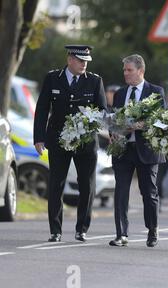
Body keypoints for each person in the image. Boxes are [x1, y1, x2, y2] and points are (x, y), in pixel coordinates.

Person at [33, 45, 107, 242]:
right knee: (56, 184)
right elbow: (41, 109)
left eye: (86, 61)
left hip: (86, 142)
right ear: (70, 60)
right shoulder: (52, 78)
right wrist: (38, 138)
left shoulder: (94, 80)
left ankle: (81, 228)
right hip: (58, 139)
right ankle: (55, 231)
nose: (84, 64)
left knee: (86, 186)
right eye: (80, 60)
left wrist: (90, 123)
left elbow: (102, 111)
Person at [108, 54, 166, 247]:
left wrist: (140, 125)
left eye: (129, 70)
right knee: (121, 192)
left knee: (148, 192)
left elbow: (161, 122)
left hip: (147, 150)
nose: (125, 73)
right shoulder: (120, 94)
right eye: (124, 70)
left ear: (140, 71)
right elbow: (113, 119)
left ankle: (152, 230)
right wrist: (114, 131)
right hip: (123, 150)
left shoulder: (156, 92)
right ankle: (121, 234)